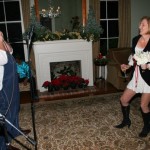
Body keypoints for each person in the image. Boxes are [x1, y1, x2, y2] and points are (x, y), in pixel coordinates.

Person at [114, 16, 150, 138]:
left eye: (143, 24)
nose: (140, 26)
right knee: (123, 100)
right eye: (140, 24)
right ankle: (126, 120)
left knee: (143, 105)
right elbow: (134, 57)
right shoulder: (135, 39)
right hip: (136, 76)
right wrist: (127, 66)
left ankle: (147, 127)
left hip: (148, 79)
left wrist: (148, 67)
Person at [0, 31, 30, 150]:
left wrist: (2, 40)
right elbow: (3, 58)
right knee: (5, 115)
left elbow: (10, 51)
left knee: (15, 107)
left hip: (11, 83)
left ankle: (14, 130)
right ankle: (3, 146)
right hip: (3, 87)